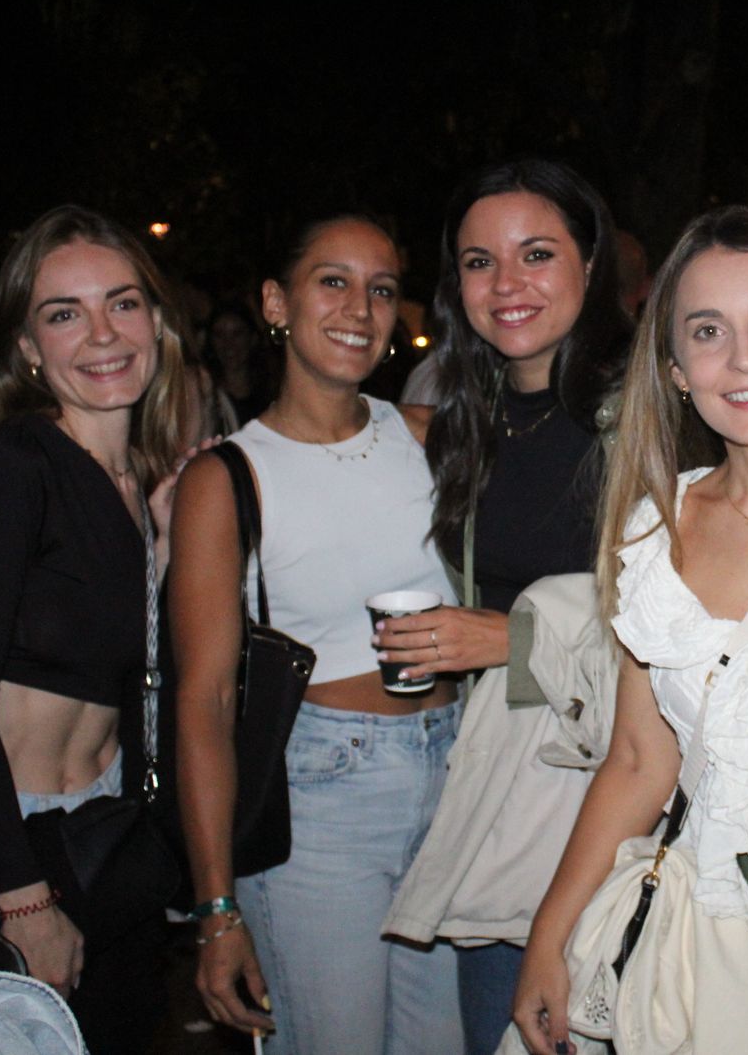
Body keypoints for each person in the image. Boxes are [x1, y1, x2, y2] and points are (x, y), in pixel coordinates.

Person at [512, 205, 748, 1054]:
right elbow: (638, 760)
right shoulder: (655, 526)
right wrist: (550, 933)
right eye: (708, 331)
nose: (745, 358)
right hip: (698, 933)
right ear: (677, 369)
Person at [0, 204, 194, 1054]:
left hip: (99, 830)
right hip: (1, 839)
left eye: (122, 303)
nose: (103, 333)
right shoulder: (18, 462)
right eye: (65, 313)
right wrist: (23, 898)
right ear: (27, 347)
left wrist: (167, 549)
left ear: (156, 321)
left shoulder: (138, 480)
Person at [171, 213, 463, 1055]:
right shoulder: (228, 476)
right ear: (277, 302)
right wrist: (216, 908)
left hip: (456, 780)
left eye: (381, 289)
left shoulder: (426, 436)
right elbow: (204, 702)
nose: (360, 309)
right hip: (322, 798)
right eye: (332, 281)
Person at [375, 158, 630, 1054]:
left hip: (618, 800)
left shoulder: (651, 414)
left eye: (536, 254)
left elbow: (702, 621)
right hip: (503, 796)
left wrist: (512, 640)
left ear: (590, 262)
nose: (507, 283)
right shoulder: (467, 421)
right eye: (479, 262)